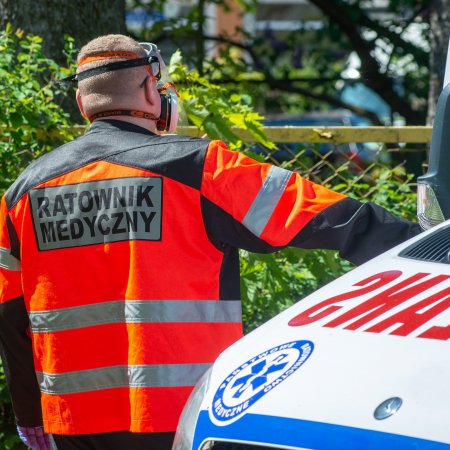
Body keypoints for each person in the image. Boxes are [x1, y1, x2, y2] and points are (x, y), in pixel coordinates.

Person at [0, 34, 421, 450]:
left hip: (75, 423)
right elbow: (334, 218)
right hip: (185, 414)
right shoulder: (200, 167)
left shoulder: (23, 194)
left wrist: (30, 416)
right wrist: (431, 246)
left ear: (82, 103)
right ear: (151, 89)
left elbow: (10, 317)